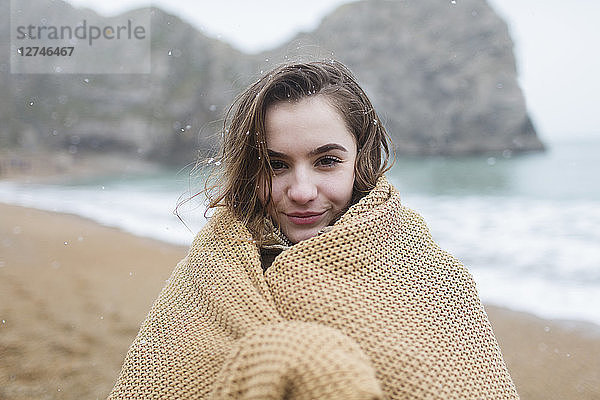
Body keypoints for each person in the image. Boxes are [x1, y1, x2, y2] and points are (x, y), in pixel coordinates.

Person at [109, 60, 519, 399]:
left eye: (327, 161)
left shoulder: (430, 278)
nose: (302, 192)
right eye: (276, 165)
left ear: (361, 156)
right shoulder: (207, 275)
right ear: (249, 170)